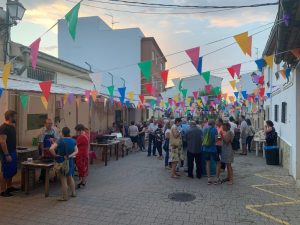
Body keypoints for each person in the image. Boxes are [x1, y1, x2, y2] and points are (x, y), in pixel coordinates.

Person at [50, 127, 78, 201]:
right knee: (70, 177)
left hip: (62, 161)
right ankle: (73, 193)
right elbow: (76, 151)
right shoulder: (73, 140)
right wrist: (70, 156)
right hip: (70, 161)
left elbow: (51, 149)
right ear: (69, 132)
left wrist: (55, 155)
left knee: (63, 179)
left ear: (62, 133)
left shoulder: (60, 141)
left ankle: (65, 197)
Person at [0, 110, 19, 197]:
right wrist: (7, 154)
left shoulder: (12, 127)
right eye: (15, 116)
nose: (16, 118)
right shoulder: (4, 128)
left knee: (11, 171)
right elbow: (2, 142)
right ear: (10, 117)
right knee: (5, 172)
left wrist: (15, 151)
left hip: (12, 151)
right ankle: (3, 191)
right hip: (7, 153)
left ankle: (9, 187)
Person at [38, 118, 60, 182]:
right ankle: (42, 178)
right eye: (48, 123)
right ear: (45, 124)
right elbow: (41, 142)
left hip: (52, 149)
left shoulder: (54, 130)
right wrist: (42, 152)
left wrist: (54, 143)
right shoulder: (42, 131)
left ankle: (52, 177)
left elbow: (57, 139)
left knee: (52, 163)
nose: (50, 125)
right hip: (44, 148)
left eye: (51, 123)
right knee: (44, 164)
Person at [202, 119, 221, 185]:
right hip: (213, 149)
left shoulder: (204, 129)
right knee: (218, 163)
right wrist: (219, 136)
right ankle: (216, 179)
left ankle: (209, 179)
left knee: (207, 163)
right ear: (213, 124)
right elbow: (217, 139)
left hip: (205, 149)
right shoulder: (214, 129)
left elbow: (203, 138)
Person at [74, 124, 89, 189]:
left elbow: (75, 144)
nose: (76, 132)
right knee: (84, 168)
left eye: (77, 131)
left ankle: (83, 182)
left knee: (81, 168)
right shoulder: (86, 134)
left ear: (80, 130)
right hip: (84, 153)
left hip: (81, 155)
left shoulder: (81, 137)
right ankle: (83, 181)